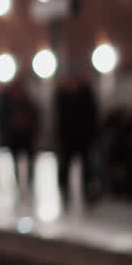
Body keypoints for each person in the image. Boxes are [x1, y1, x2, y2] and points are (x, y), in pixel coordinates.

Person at [54, 72, 99, 206]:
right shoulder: (62, 97)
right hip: (67, 138)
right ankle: (65, 193)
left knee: (86, 167)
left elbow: (92, 116)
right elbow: (60, 119)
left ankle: (86, 193)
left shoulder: (86, 96)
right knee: (65, 166)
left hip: (83, 138)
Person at [0, 78, 41, 196]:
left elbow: (35, 118)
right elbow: (1, 120)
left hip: (26, 137)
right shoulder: (8, 103)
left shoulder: (28, 102)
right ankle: (19, 183)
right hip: (14, 137)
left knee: (29, 161)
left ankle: (29, 182)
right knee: (16, 161)